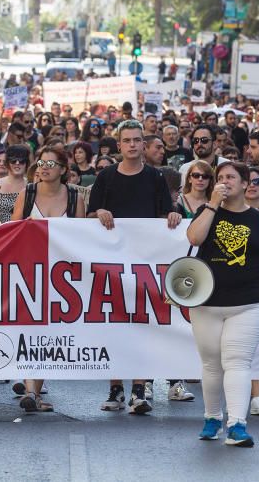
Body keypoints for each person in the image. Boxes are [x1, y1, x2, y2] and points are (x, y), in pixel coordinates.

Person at [186, 160, 259, 447]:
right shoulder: (207, 211)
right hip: (207, 302)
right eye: (220, 177)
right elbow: (194, 237)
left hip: (249, 302)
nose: (225, 181)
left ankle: (236, 424)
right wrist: (212, 204)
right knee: (211, 364)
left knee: (237, 362)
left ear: (246, 184)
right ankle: (211, 417)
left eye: (231, 177)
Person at [88, 119, 181, 415]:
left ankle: (139, 389)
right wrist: (99, 212)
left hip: (145, 262)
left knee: (142, 324)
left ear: (143, 144)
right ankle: (116, 388)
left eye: (136, 140)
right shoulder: (105, 177)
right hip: (111, 263)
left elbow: (166, 213)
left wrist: (173, 218)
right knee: (114, 324)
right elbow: (88, 216)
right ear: (119, 145)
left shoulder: (155, 177)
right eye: (126, 140)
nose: (131, 145)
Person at [10, 144, 86, 412]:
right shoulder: (26, 193)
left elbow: (82, 236)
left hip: (61, 277)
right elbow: (11, 232)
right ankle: (32, 391)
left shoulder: (76, 196)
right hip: (29, 272)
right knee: (32, 329)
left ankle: (34, 390)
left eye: (51, 164)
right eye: (41, 163)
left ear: (64, 170)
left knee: (49, 333)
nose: (43, 167)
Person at [0, 145, 30, 223]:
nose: (17, 163)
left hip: (22, 233)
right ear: (7, 163)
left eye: (22, 161)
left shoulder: (32, 187)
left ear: (26, 163)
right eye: (13, 160)